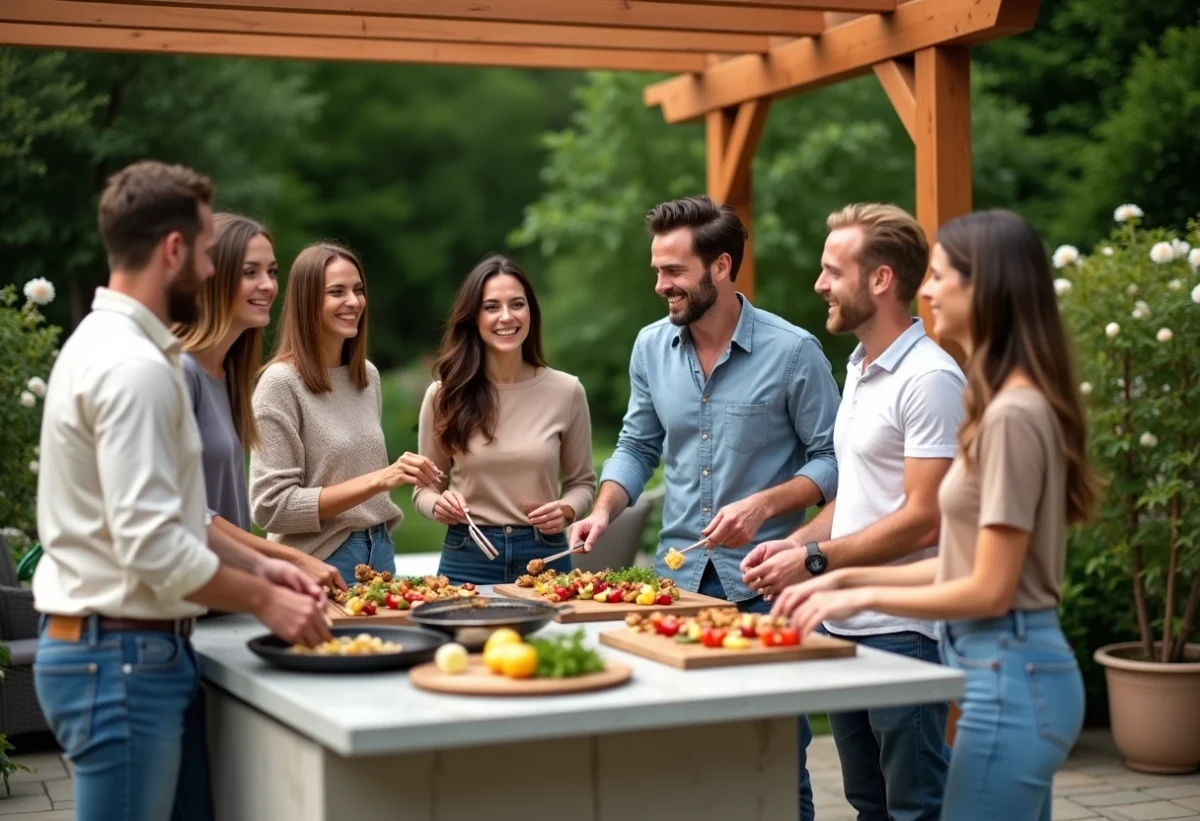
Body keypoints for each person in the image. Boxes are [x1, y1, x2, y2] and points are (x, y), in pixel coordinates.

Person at [770, 208, 1098, 821]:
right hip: (1000, 673)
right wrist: (841, 580)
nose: (926, 289)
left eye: (942, 276)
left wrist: (841, 587)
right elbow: (962, 559)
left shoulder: (1010, 414)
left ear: (987, 286)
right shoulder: (1000, 402)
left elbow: (988, 586)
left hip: (1012, 674)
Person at [32, 160, 330, 821]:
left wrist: (268, 564)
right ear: (173, 250)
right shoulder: (136, 367)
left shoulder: (109, 344)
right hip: (118, 660)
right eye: (204, 252)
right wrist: (267, 597)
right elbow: (155, 545)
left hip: (127, 654)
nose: (210, 270)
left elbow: (181, 516)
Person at [569, 195, 841, 821]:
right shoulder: (649, 347)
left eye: (674, 272)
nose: (661, 285)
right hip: (677, 588)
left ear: (721, 268)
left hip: (767, 582)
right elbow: (639, 442)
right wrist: (606, 508)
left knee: (774, 756)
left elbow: (833, 459)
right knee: (685, 756)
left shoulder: (794, 352)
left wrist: (767, 503)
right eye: (657, 270)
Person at [742, 204, 963, 821]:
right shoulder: (861, 369)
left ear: (881, 280)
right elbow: (860, 496)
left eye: (832, 271)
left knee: (915, 809)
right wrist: (796, 544)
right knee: (868, 804)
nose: (819, 285)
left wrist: (815, 559)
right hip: (845, 626)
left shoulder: (930, 379)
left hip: (904, 631)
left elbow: (926, 518)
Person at [249, 242, 442, 587]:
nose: (353, 302)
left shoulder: (366, 377)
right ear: (308, 302)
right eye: (336, 292)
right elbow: (271, 508)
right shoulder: (280, 384)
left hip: (381, 554)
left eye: (358, 290)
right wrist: (380, 479)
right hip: (321, 560)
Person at [175, 213, 346, 593]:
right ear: (209, 275)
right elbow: (183, 512)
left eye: (271, 271)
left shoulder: (229, 375)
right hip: (185, 607)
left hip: (225, 599)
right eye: (250, 272)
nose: (268, 285)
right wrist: (289, 558)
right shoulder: (179, 373)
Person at [414, 255, 596, 584]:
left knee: (549, 639)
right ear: (474, 317)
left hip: (545, 556)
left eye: (517, 304)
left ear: (531, 313)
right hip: (467, 553)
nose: (506, 317)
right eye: (491, 307)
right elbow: (425, 489)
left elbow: (582, 484)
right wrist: (438, 505)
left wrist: (566, 510)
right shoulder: (444, 395)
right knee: (462, 639)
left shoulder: (567, 391)